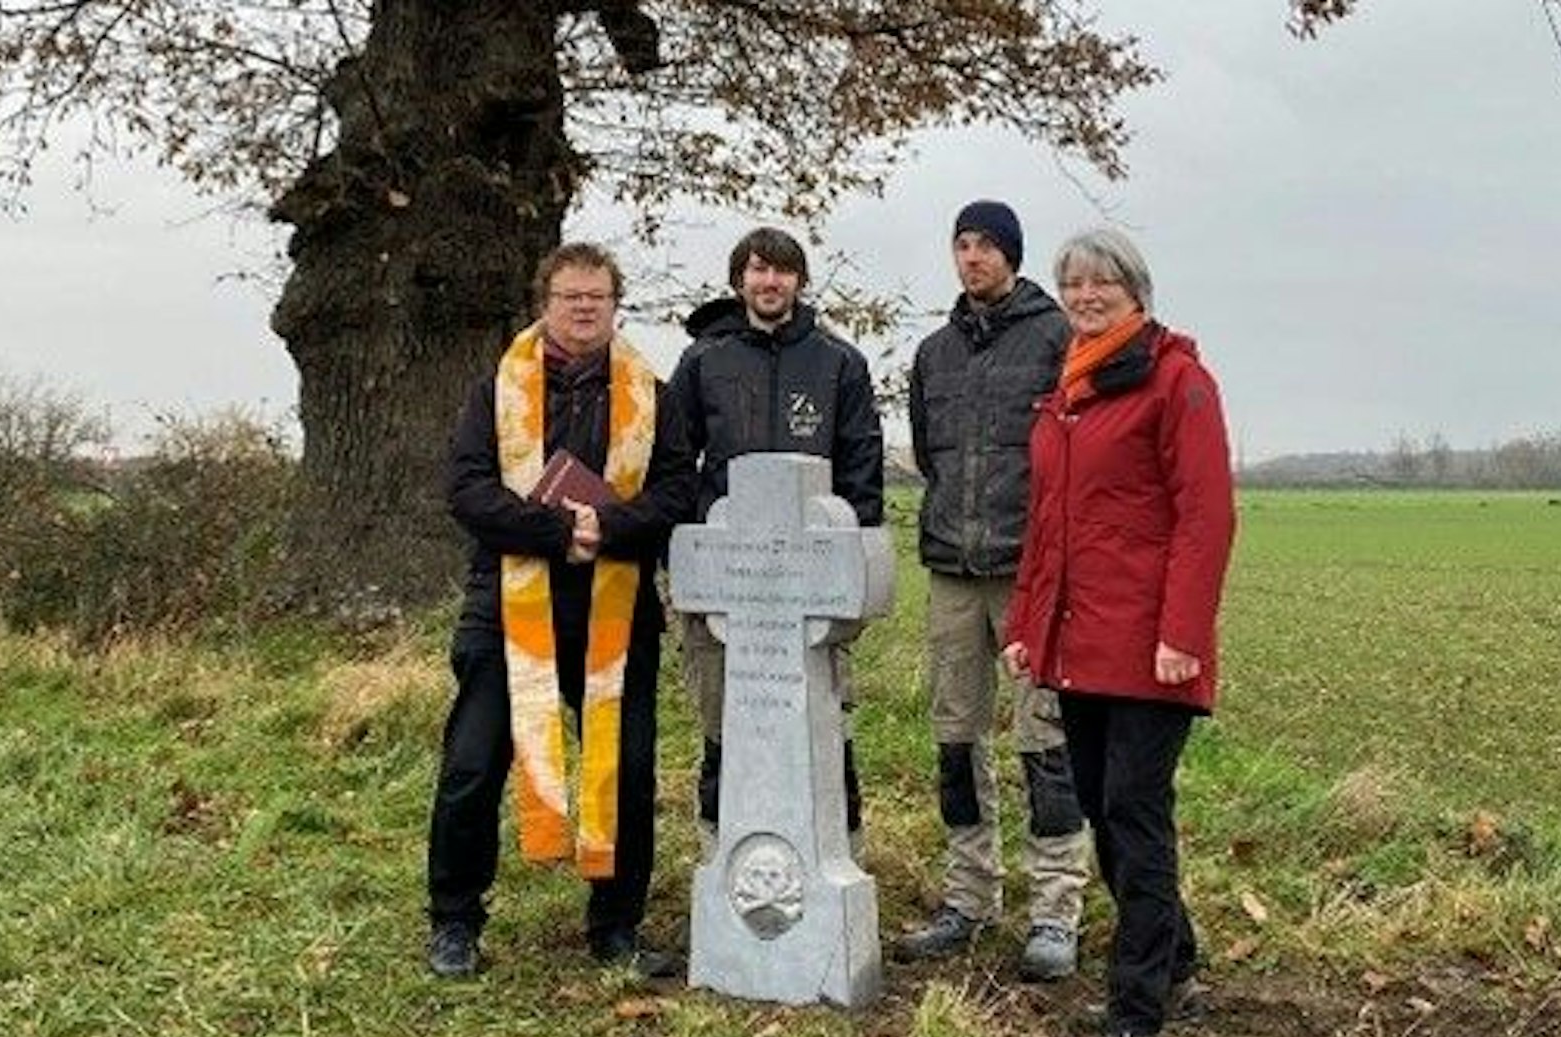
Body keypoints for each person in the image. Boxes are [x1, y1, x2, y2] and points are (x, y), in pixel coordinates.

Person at [1000, 228, 1236, 1037]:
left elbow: (1206, 517)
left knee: (1135, 817)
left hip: (1150, 652)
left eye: (1102, 282)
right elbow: (1048, 527)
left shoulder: (1178, 381)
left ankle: (1135, 1015)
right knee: (1106, 813)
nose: (1085, 295)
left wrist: (1182, 635)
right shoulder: (1070, 390)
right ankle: (1175, 964)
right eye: (1072, 283)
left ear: (1136, 290)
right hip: (1080, 644)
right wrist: (1026, 625)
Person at [426, 242, 695, 979]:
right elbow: (467, 490)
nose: (584, 308)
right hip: (508, 603)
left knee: (627, 769)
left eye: (597, 297)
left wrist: (608, 528)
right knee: (473, 764)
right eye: (570, 296)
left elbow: (677, 491)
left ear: (615, 306)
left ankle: (616, 926)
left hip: (616, 606)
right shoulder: (495, 391)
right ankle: (455, 921)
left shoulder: (653, 395)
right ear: (544, 303)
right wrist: (556, 531)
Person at [896, 200, 1092, 982]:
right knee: (956, 740)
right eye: (962, 244)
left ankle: (1055, 909)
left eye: (986, 245)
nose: (972, 257)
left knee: (1046, 741)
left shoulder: (1055, 338)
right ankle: (969, 898)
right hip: (952, 569)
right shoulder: (933, 354)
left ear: (1012, 254)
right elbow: (931, 457)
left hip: (1030, 574)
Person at [670, 226, 886, 852]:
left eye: (783, 270)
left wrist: (848, 574)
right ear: (739, 279)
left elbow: (861, 469)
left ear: (800, 280)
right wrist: (686, 564)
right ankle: (721, 855)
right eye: (759, 269)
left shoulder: (838, 362)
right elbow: (674, 462)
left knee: (825, 724)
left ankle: (840, 853)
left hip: (809, 584)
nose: (770, 282)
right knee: (725, 727)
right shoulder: (704, 361)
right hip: (729, 584)